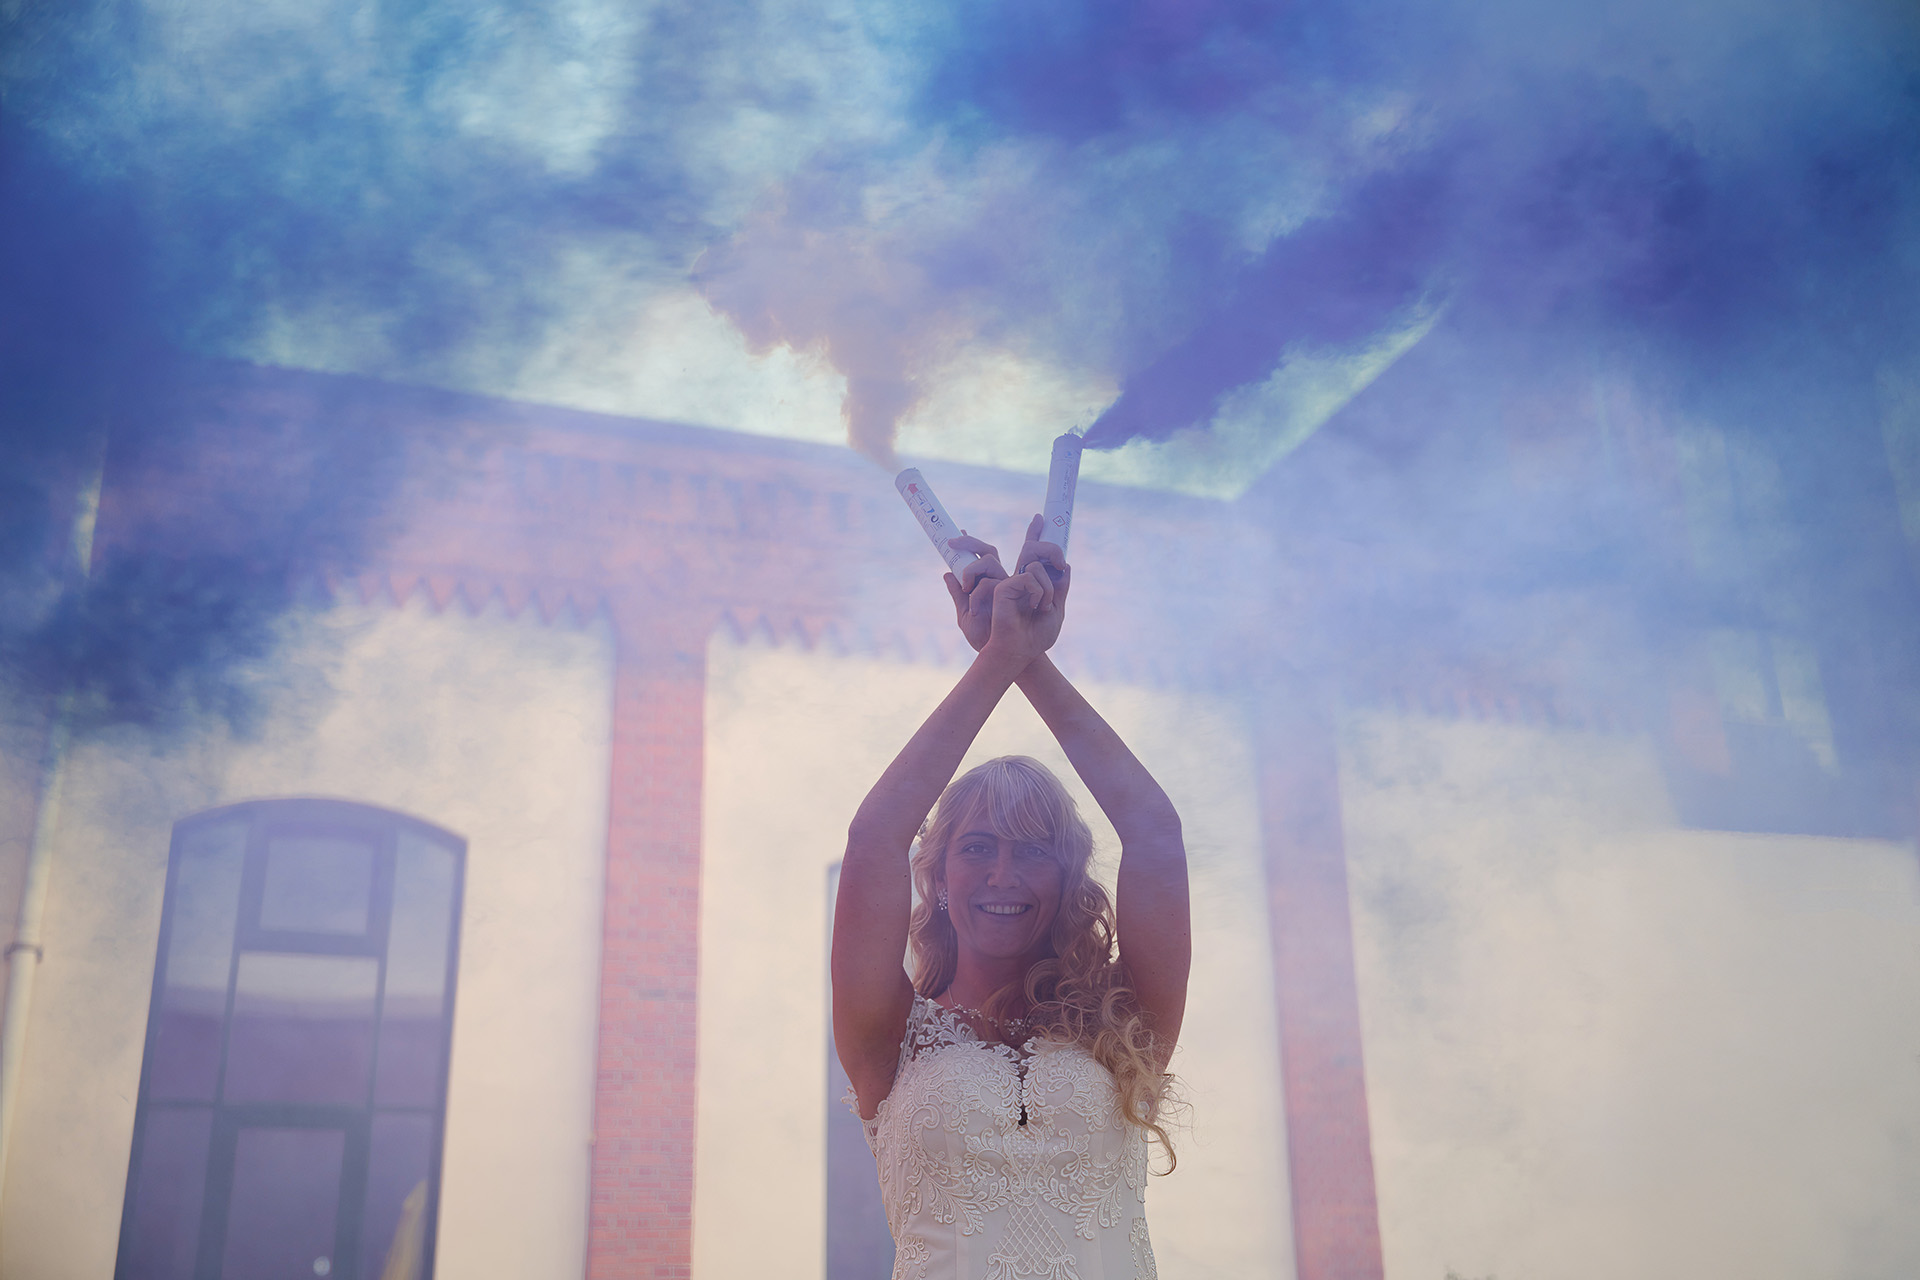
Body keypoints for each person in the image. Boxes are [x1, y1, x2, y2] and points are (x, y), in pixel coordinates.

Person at [833, 515, 1192, 1280]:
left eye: (1032, 851)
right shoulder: (885, 1032)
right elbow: (873, 838)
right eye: (976, 848)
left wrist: (1030, 658)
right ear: (939, 874)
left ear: (1064, 879)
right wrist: (999, 655)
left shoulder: (1127, 1021)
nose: (1003, 874)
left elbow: (1155, 832)